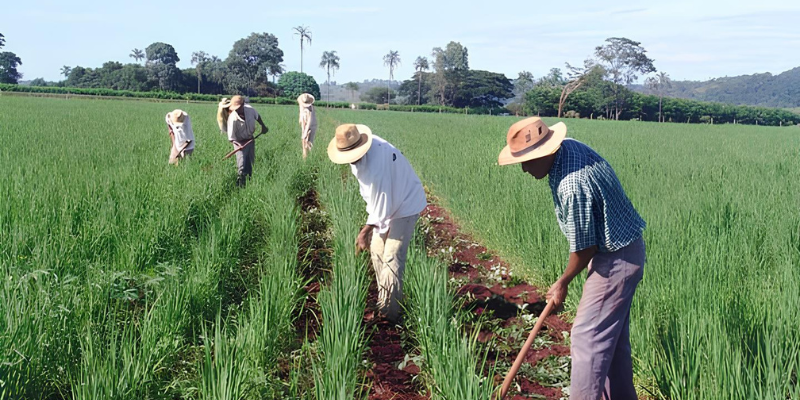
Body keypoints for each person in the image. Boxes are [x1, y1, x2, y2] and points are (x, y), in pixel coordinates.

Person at [497, 117, 646, 400]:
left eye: (528, 161)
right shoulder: (568, 148)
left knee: (587, 338)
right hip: (621, 250)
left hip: (615, 259)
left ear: (546, 152)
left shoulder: (572, 183)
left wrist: (563, 281)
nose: (525, 169)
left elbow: (585, 248)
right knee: (611, 344)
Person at [327, 124, 427, 323]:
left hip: (405, 203)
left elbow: (381, 205)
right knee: (377, 250)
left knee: (392, 255)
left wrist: (363, 233)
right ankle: (388, 298)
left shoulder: (376, 165)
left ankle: (389, 313)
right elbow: (374, 198)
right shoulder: (360, 152)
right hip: (389, 200)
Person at [217, 96, 268, 186]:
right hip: (239, 142)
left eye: (238, 108)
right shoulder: (232, 118)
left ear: (242, 105)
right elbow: (231, 138)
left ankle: (249, 181)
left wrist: (263, 126)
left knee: (250, 163)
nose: (236, 110)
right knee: (242, 165)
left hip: (250, 140)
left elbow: (257, 116)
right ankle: (240, 184)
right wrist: (239, 145)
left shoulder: (250, 110)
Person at [297, 93, 318, 159]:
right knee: (304, 141)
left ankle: (309, 157)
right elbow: (302, 121)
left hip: (312, 126)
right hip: (305, 125)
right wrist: (303, 131)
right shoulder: (302, 107)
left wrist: (305, 132)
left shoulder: (310, 109)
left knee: (309, 142)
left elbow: (309, 121)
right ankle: (305, 157)